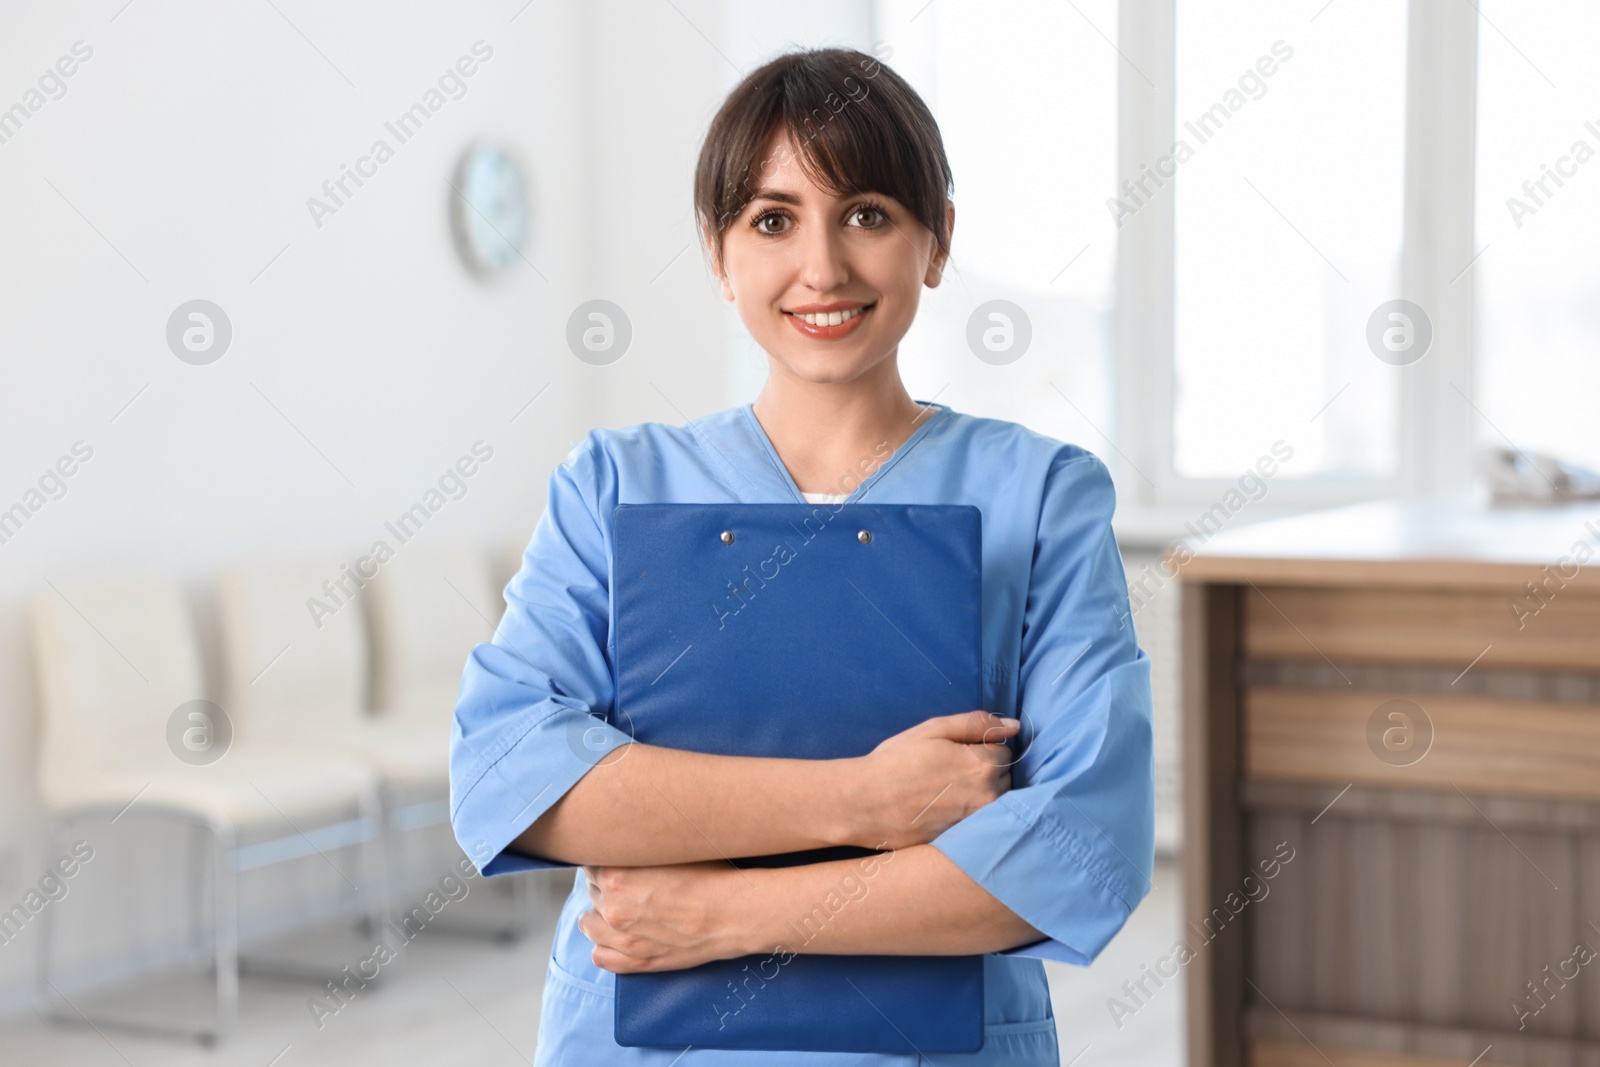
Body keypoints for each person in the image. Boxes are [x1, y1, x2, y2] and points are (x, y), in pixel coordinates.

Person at [450, 46, 1153, 1066]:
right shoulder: (613, 486)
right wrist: (863, 801)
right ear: (716, 250)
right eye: (772, 219)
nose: (821, 267)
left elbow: (1077, 848)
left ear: (937, 238)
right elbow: (509, 773)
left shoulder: (1039, 497)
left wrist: (728, 915)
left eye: (866, 211)